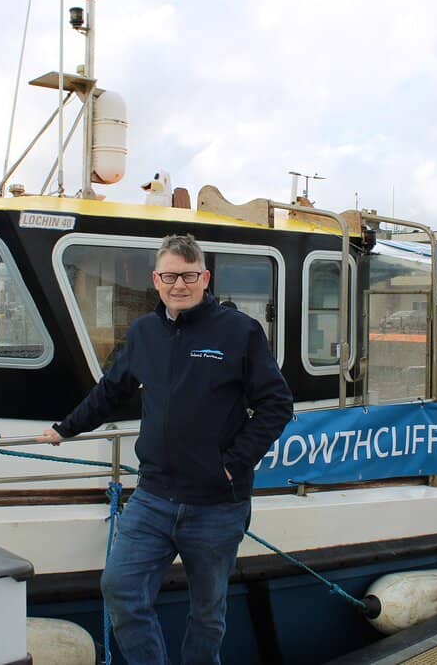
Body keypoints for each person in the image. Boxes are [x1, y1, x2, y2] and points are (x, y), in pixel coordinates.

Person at [39, 234, 293, 664]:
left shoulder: (239, 331)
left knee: (208, 615)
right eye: (170, 275)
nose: (180, 284)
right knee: (119, 590)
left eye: (189, 275)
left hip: (217, 504)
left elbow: (276, 404)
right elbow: (110, 392)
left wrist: (234, 463)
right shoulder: (144, 333)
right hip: (152, 497)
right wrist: (66, 429)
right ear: (155, 280)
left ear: (205, 278)